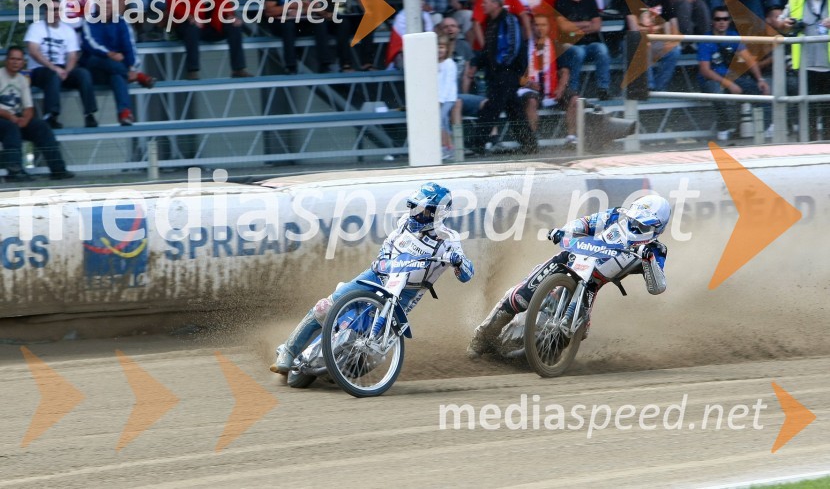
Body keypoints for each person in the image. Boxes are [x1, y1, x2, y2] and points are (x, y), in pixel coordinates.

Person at [271, 182, 475, 374]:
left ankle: (342, 370)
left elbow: (467, 275)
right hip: (377, 275)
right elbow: (387, 245)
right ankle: (288, 350)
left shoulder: (449, 240)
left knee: (372, 344)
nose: (415, 213)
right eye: (414, 207)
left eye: (423, 210)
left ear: (438, 213)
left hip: (405, 294)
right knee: (325, 307)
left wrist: (458, 261)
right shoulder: (405, 223)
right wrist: (383, 260)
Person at [467, 194, 671, 358]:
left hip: (592, 284)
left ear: (657, 229)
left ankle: (538, 357)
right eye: (633, 220)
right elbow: (586, 223)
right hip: (569, 259)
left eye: (642, 226)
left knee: (577, 331)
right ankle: (481, 338)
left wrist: (649, 260)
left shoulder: (656, 251)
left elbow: (657, 287)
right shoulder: (616, 215)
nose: (635, 227)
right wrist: (563, 231)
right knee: (521, 295)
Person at [0, 46, 74, 182]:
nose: (15, 62)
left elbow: (29, 107)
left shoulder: (22, 79)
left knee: (42, 126)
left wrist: (25, 119)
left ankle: (58, 170)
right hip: (3, 119)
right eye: (12, 59)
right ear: (6, 60)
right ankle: (14, 172)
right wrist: (11, 117)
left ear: (23, 62)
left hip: (16, 117)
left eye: (19, 59)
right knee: (11, 128)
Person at [82, 0, 156, 126]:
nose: (106, 6)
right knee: (97, 59)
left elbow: (129, 46)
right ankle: (136, 76)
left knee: (116, 76)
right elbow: (90, 44)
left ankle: (124, 113)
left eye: (108, 3)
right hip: (95, 69)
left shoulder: (121, 22)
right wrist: (109, 54)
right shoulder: (89, 21)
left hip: (115, 69)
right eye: (102, 3)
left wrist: (132, 67)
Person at [697, 6, 770, 140]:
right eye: (718, 19)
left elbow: (749, 59)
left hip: (730, 76)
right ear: (712, 21)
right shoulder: (705, 39)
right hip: (711, 79)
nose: (722, 22)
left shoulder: (733, 36)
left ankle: (766, 128)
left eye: (725, 19)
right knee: (717, 93)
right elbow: (705, 70)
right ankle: (724, 129)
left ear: (729, 21)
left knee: (760, 89)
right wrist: (729, 84)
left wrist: (760, 79)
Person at [25, 0, 99, 129]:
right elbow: (33, 52)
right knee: (53, 75)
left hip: (61, 69)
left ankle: (89, 114)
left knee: (83, 73)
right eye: (53, 10)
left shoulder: (68, 30)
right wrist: (54, 68)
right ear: (46, 11)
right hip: (39, 70)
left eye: (58, 9)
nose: (56, 13)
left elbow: (73, 56)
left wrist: (67, 71)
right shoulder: (35, 27)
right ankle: (51, 116)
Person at [470, 0, 527, 153]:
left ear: (496, 4)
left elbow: (514, 46)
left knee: (492, 108)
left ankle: (478, 144)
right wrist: (476, 63)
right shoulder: (491, 22)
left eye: (485, 2)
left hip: (506, 73)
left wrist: (502, 67)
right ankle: (530, 144)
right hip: (500, 73)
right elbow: (488, 49)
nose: (482, 5)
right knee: (514, 110)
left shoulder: (509, 19)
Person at [780, 0, 830, 140]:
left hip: (828, 65)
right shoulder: (795, 0)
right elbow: (780, 23)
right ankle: (807, 146)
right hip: (805, 65)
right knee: (808, 111)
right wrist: (786, 24)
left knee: (828, 111)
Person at [518, 11, 579, 151]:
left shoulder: (556, 46)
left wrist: (561, 88)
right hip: (531, 88)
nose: (540, 28)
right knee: (531, 101)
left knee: (574, 99)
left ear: (548, 27)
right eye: (537, 25)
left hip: (553, 88)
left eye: (543, 25)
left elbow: (565, 71)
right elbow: (516, 74)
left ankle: (571, 138)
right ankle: (531, 141)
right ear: (532, 27)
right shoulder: (524, 47)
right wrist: (528, 83)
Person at [264, 0, 333, 74]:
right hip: (279, 23)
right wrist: (290, 6)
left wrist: (299, 11)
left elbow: (307, 6)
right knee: (288, 25)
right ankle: (291, 66)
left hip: (298, 21)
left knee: (320, 22)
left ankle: (325, 64)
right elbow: (269, 11)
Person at [555, 0, 612, 100]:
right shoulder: (560, 2)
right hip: (568, 46)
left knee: (602, 48)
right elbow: (563, 27)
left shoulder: (590, 1)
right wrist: (586, 24)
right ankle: (572, 91)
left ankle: (603, 88)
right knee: (578, 52)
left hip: (589, 45)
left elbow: (597, 26)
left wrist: (573, 27)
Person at [625, 0, 681, 91]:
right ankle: (648, 87)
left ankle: (659, 88)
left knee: (675, 51)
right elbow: (634, 28)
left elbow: (672, 20)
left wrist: (674, 39)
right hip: (634, 41)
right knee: (643, 45)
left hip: (656, 41)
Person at [437, 35, 457, 159]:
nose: (439, 50)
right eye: (437, 47)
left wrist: (441, 99)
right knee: (443, 122)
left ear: (447, 49)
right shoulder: (435, 64)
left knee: (439, 120)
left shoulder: (449, 64)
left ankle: (445, 146)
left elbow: (448, 83)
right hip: (439, 99)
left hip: (447, 98)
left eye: (442, 47)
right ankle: (449, 147)